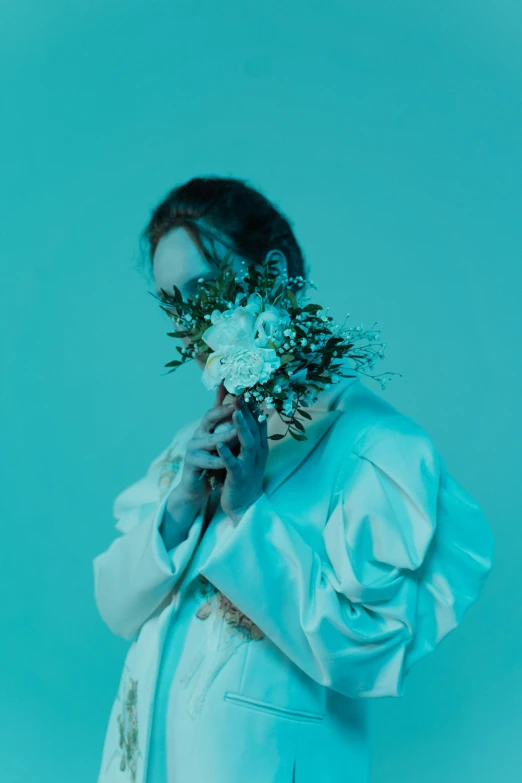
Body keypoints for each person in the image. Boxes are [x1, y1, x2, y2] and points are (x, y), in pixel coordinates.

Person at [92, 176, 495, 783]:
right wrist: (179, 507)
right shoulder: (190, 444)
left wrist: (249, 514)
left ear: (274, 273)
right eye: (174, 306)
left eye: (203, 291)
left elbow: (369, 653)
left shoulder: (376, 447)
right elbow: (116, 609)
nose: (190, 331)